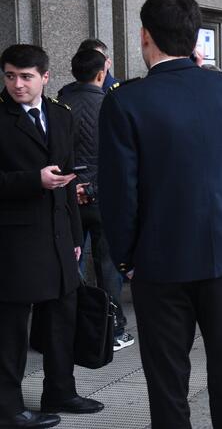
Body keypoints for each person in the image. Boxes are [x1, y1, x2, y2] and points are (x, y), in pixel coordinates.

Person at [98, 0, 222, 429]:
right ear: (194, 38)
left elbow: (119, 193)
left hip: (158, 258)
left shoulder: (125, 101)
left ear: (145, 36)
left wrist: (126, 256)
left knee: (167, 381)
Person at [1, 44, 104, 429]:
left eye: (26, 76)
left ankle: (60, 390)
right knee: (11, 328)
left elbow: (68, 178)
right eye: (10, 75)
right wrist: (33, 181)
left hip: (60, 232)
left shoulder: (61, 115)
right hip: (13, 240)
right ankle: (8, 407)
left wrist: (75, 233)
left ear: (45, 78)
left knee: (63, 315)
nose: (17, 84)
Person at [57, 49, 134, 351]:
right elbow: (118, 160)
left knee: (72, 263)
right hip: (102, 199)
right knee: (108, 266)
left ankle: (72, 325)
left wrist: (73, 185)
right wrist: (92, 189)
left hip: (67, 196)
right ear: (102, 72)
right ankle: (112, 327)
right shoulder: (111, 104)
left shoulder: (59, 105)